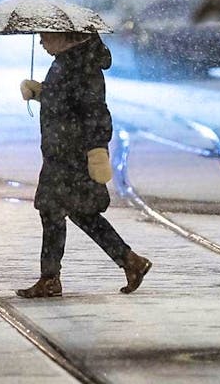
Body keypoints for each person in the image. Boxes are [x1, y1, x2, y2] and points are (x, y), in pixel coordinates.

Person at [17, 32, 151, 298]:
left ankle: (51, 278)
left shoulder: (82, 66)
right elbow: (66, 102)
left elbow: (95, 113)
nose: (42, 43)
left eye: (46, 37)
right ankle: (130, 261)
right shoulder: (67, 61)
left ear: (67, 38)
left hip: (72, 154)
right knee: (79, 212)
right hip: (61, 151)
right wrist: (41, 92)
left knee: (54, 211)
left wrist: (97, 151)